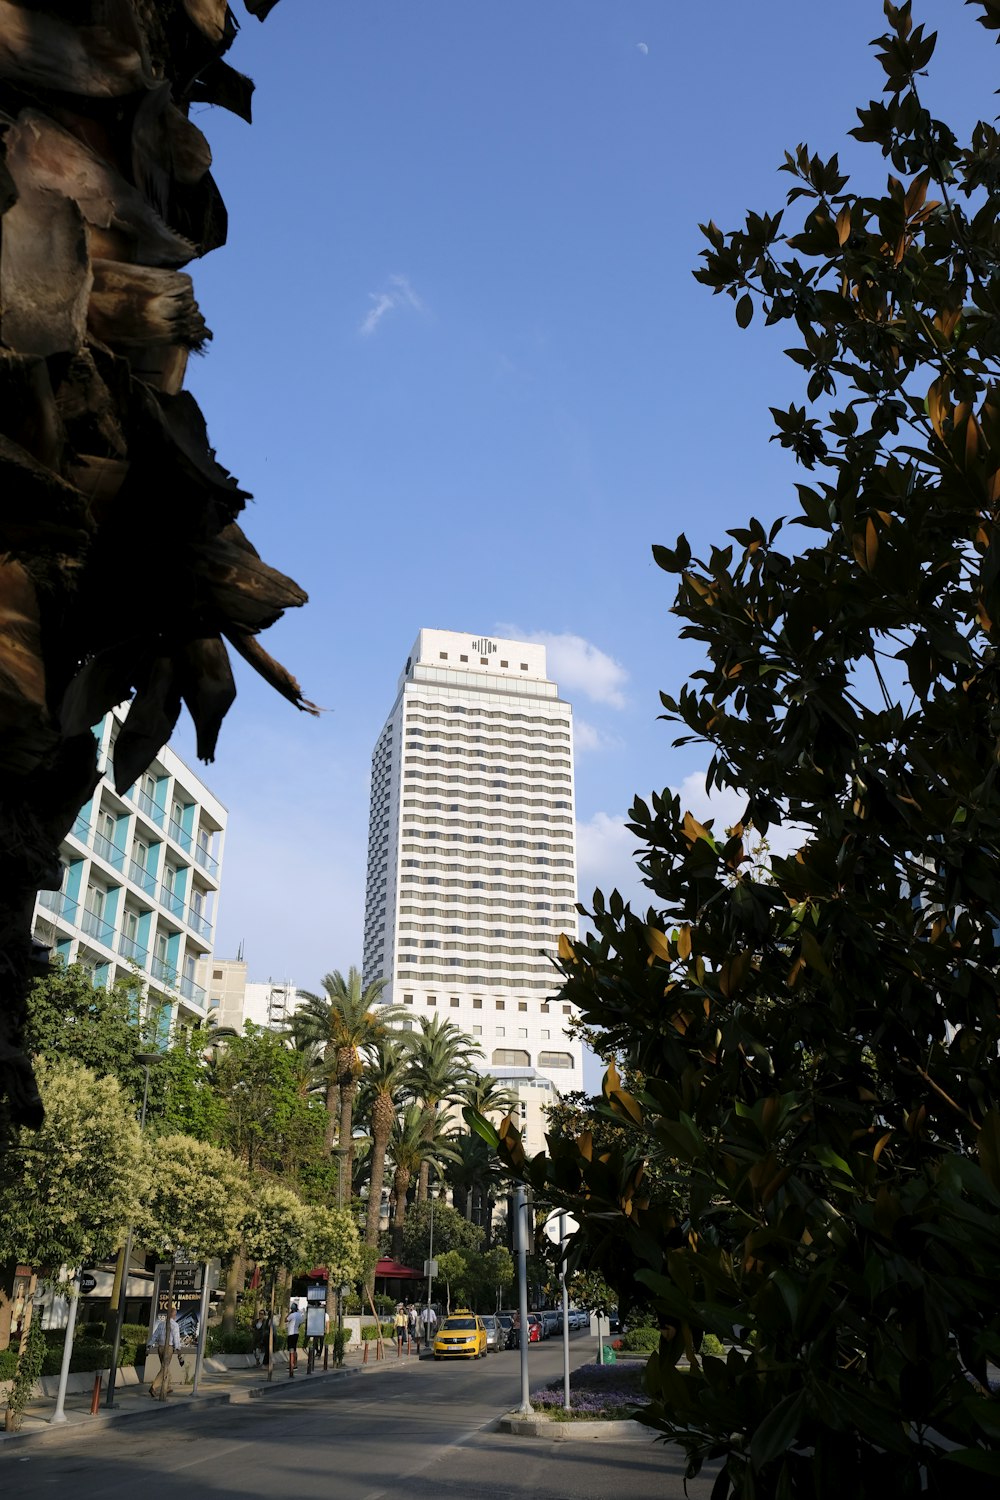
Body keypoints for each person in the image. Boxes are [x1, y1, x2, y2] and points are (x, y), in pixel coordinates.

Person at [148, 1304, 182, 1399]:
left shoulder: (161, 1324)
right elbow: (176, 1339)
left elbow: (155, 1336)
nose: (175, 1316)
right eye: (175, 1314)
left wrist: (149, 1345)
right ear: (173, 1315)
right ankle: (154, 1387)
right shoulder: (175, 1325)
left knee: (165, 1366)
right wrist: (179, 1350)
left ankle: (167, 1386)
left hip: (160, 1347)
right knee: (164, 1367)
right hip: (168, 1348)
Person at [285, 1301, 303, 1374]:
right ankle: (295, 1364)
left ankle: (292, 1364)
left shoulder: (292, 1315)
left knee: (291, 1349)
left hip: (291, 1333)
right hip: (296, 1333)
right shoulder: (299, 1315)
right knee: (294, 1349)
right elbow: (300, 1323)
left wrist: (289, 1313)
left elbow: (285, 1320)